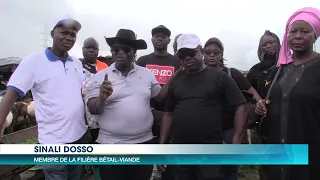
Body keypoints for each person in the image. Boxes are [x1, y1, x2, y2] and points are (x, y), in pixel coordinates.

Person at [0, 16, 89, 180]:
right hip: (53, 142)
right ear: (52, 33)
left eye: (73, 34)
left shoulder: (75, 63)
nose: (68, 37)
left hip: (79, 137)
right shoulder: (34, 61)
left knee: (76, 176)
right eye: (63, 32)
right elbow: (11, 94)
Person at [86, 29, 174, 180]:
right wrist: (101, 97)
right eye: (115, 49)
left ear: (134, 53)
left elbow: (158, 97)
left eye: (125, 49)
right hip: (111, 146)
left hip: (143, 144)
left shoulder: (146, 74)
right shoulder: (100, 77)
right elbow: (93, 109)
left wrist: (175, 78)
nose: (119, 53)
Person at [160, 34, 249, 180]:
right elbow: (168, 114)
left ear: (200, 51)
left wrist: (236, 143)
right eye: (182, 55)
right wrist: (162, 147)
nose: (186, 58)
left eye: (190, 53)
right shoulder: (176, 81)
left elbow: (241, 107)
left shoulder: (220, 77)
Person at [255, 7, 320, 180]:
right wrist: (262, 106)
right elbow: (277, 100)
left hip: (310, 152)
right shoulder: (280, 69)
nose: (297, 36)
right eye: (293, 31)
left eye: (305, 31)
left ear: (316, 35)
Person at [203, 37, 261, 180]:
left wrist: (260, 105)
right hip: (205, 133)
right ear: (203, 54)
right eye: (208, 52)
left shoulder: (232, 74)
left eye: (215, 52)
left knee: (228, 172)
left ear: (221, 54)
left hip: (229, 131)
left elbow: (255, 96)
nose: (211, 55)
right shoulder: (197, 75)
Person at [136, 25, 180, 180]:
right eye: (156, 36)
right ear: (152, 39)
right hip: (145, 116)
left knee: (167, 161)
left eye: (163, 36)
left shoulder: (177, 62)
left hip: (170, 116)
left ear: (169, 39)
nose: (159, 38)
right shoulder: (143, 61)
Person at [81, 37, 108, 180]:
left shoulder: (104, 66)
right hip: (82, 117)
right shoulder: (76, 66)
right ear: (82, 49)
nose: (91, 51)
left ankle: (98, 172)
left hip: (102, 116)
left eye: (95, 48)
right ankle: (89, 170)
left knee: (101, 148)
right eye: (88, 47)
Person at [246, 30, 281, 98]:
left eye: (271, 42)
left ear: (278, 43)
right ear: (261, 48)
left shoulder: (288, 66)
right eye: (264, 45)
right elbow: (246, 92)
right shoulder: (256, 69)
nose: (268, 46)